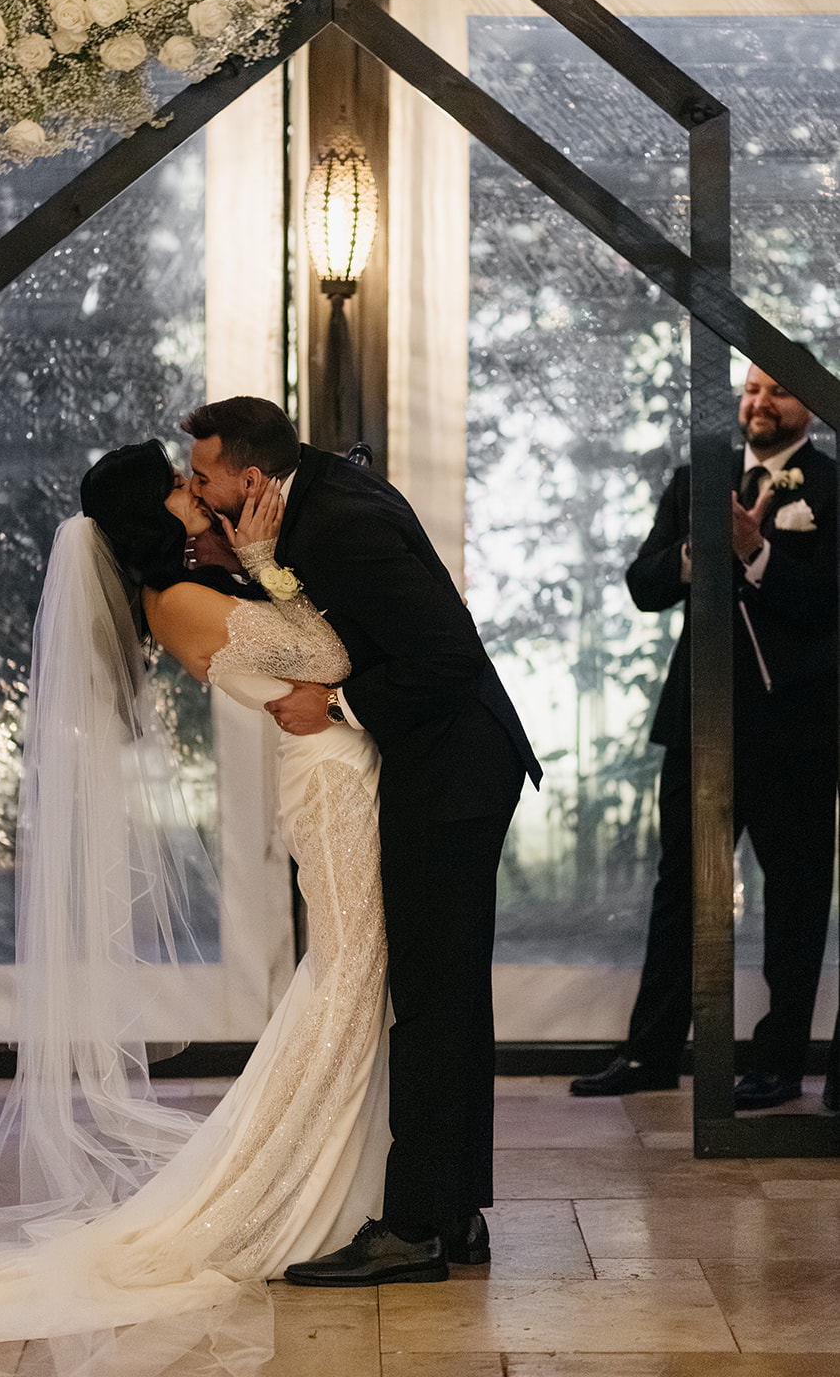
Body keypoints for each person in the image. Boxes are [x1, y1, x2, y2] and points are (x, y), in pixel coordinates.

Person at [0, 440, 394, 1377]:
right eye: (184, 489)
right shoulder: (178, 601)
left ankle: (327, 1177)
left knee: (351, 975)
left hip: (335, 774)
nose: (200, 494)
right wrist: (268, 563)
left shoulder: (187, 586)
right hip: (329, 785)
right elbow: (328, 651)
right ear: (157, 512)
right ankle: (276, 1186)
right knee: (348, 974)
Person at [182, 396, 542, 1287]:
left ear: (252, 479)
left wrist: (336, 705)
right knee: (446, 991)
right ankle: (453, 1211)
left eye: (204, 477)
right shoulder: (314, 498)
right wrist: (264, 568)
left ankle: (415, 1228)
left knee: (429, 995)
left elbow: (447, 652)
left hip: (451, 770)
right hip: (446, 763)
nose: (197, 489)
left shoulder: (338, 522)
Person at [571, 366, 837, 1110]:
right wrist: (698, 553)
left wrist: (756, 550)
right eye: (749, 389)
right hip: (701, 725)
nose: (757, 402)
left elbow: (825, 607)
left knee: (794, 897)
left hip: (798, 733)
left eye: (776, 390)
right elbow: (642, 583)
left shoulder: (832, 485)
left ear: (807, 405)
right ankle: (650, 1052)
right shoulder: (700, 477)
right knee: (681, 889)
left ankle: (778, 1062)